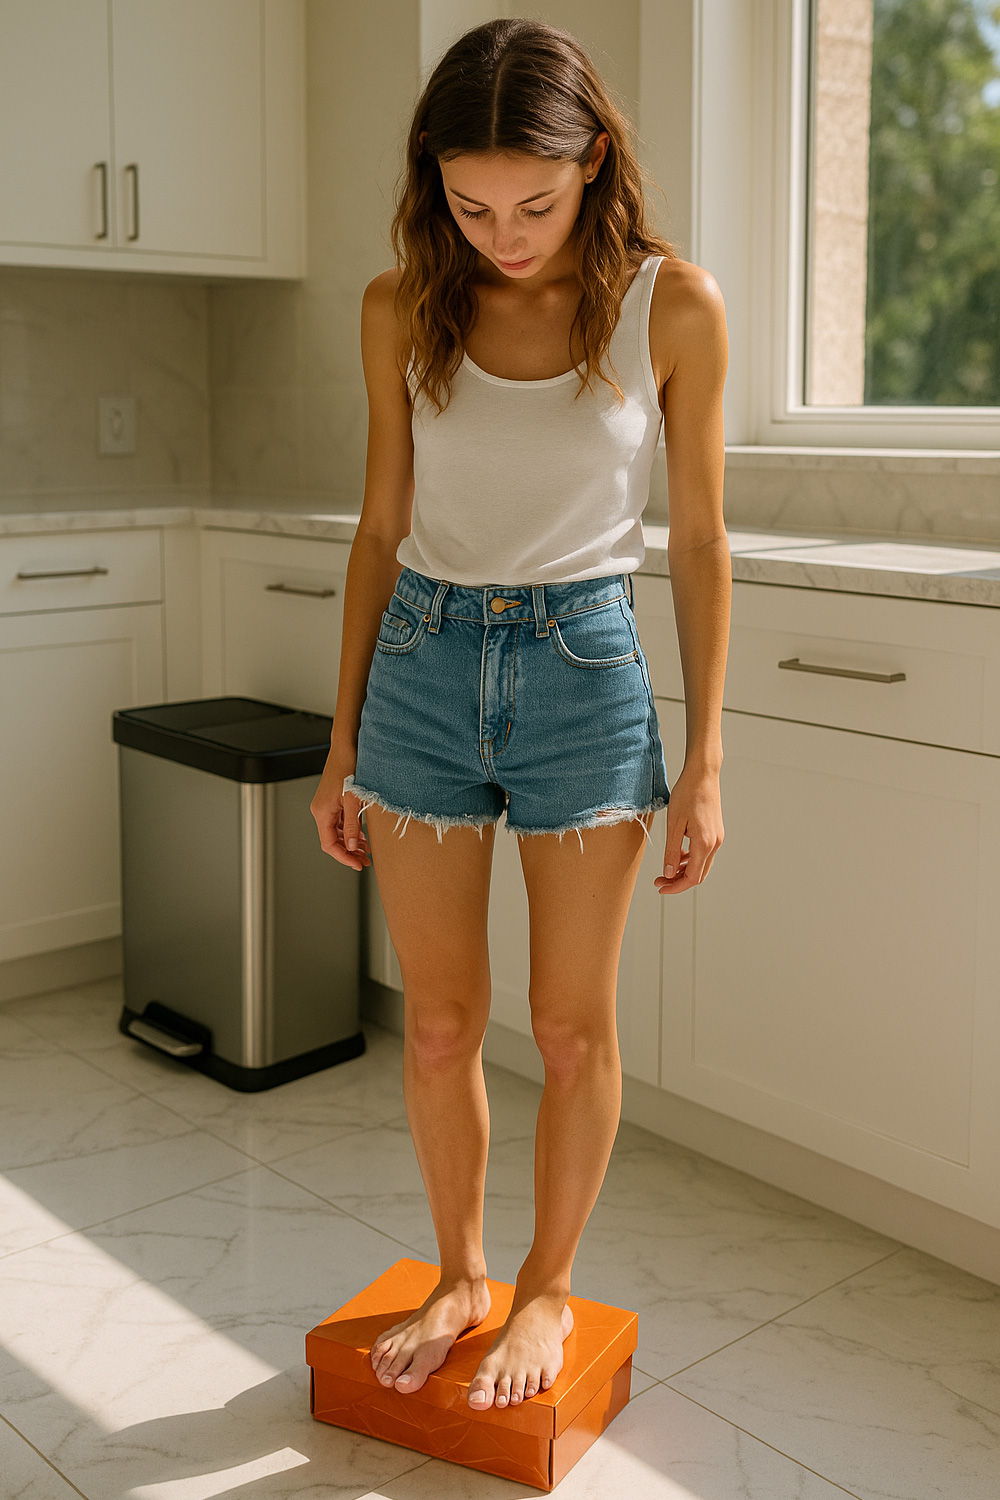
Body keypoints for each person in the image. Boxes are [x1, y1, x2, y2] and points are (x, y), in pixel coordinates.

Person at [310, 17, 730, 1415]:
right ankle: (460, 1270)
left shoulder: (672, 307)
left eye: (536, 204)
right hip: (424, 666)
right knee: (437, 1022)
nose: (504, 234)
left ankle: (549, 1281)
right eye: (471, 203)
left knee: (568, 1029)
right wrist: (341, 737)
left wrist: (708, 759)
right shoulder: (399, 306)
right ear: (433, 179)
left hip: (586, 672)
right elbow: (380, 528)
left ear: (593, 159)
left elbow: (702, 542)